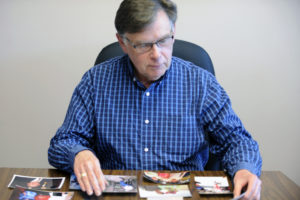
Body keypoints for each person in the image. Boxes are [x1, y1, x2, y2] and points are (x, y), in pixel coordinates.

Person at [48, 0, 262, 199]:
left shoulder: (201, 83)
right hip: (116, 194)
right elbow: (63, 142)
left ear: (174, 32)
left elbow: (237, 140)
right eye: (143, 45)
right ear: (122, 42)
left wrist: (244, 168)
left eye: (163, 40)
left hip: (184, 193)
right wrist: (79, 154)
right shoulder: (95, 81)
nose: (157, 55)